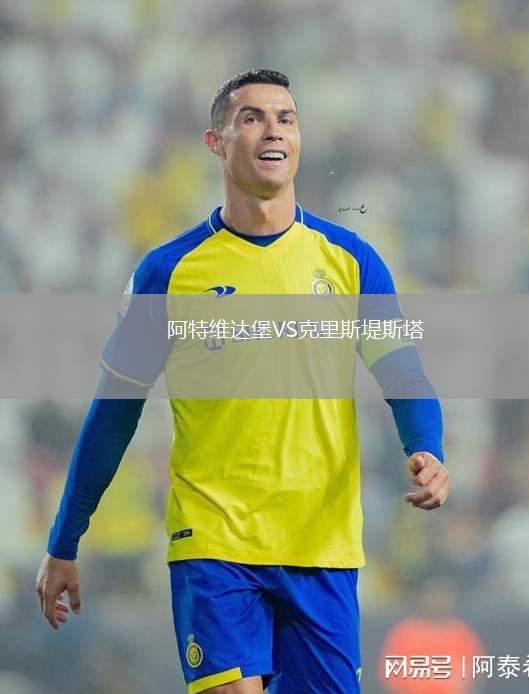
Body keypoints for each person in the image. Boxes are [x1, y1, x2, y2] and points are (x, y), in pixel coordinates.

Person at [35, 69, 450, 694]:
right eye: (252, 117)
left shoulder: (351, 261)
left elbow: (404, 373)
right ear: (216, 141)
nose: (273, 130)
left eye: (286, 118)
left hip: (322, 545)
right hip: (215, 542)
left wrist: (427, 448)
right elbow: (114, 412)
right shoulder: (169, 272)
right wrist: (65, 540)